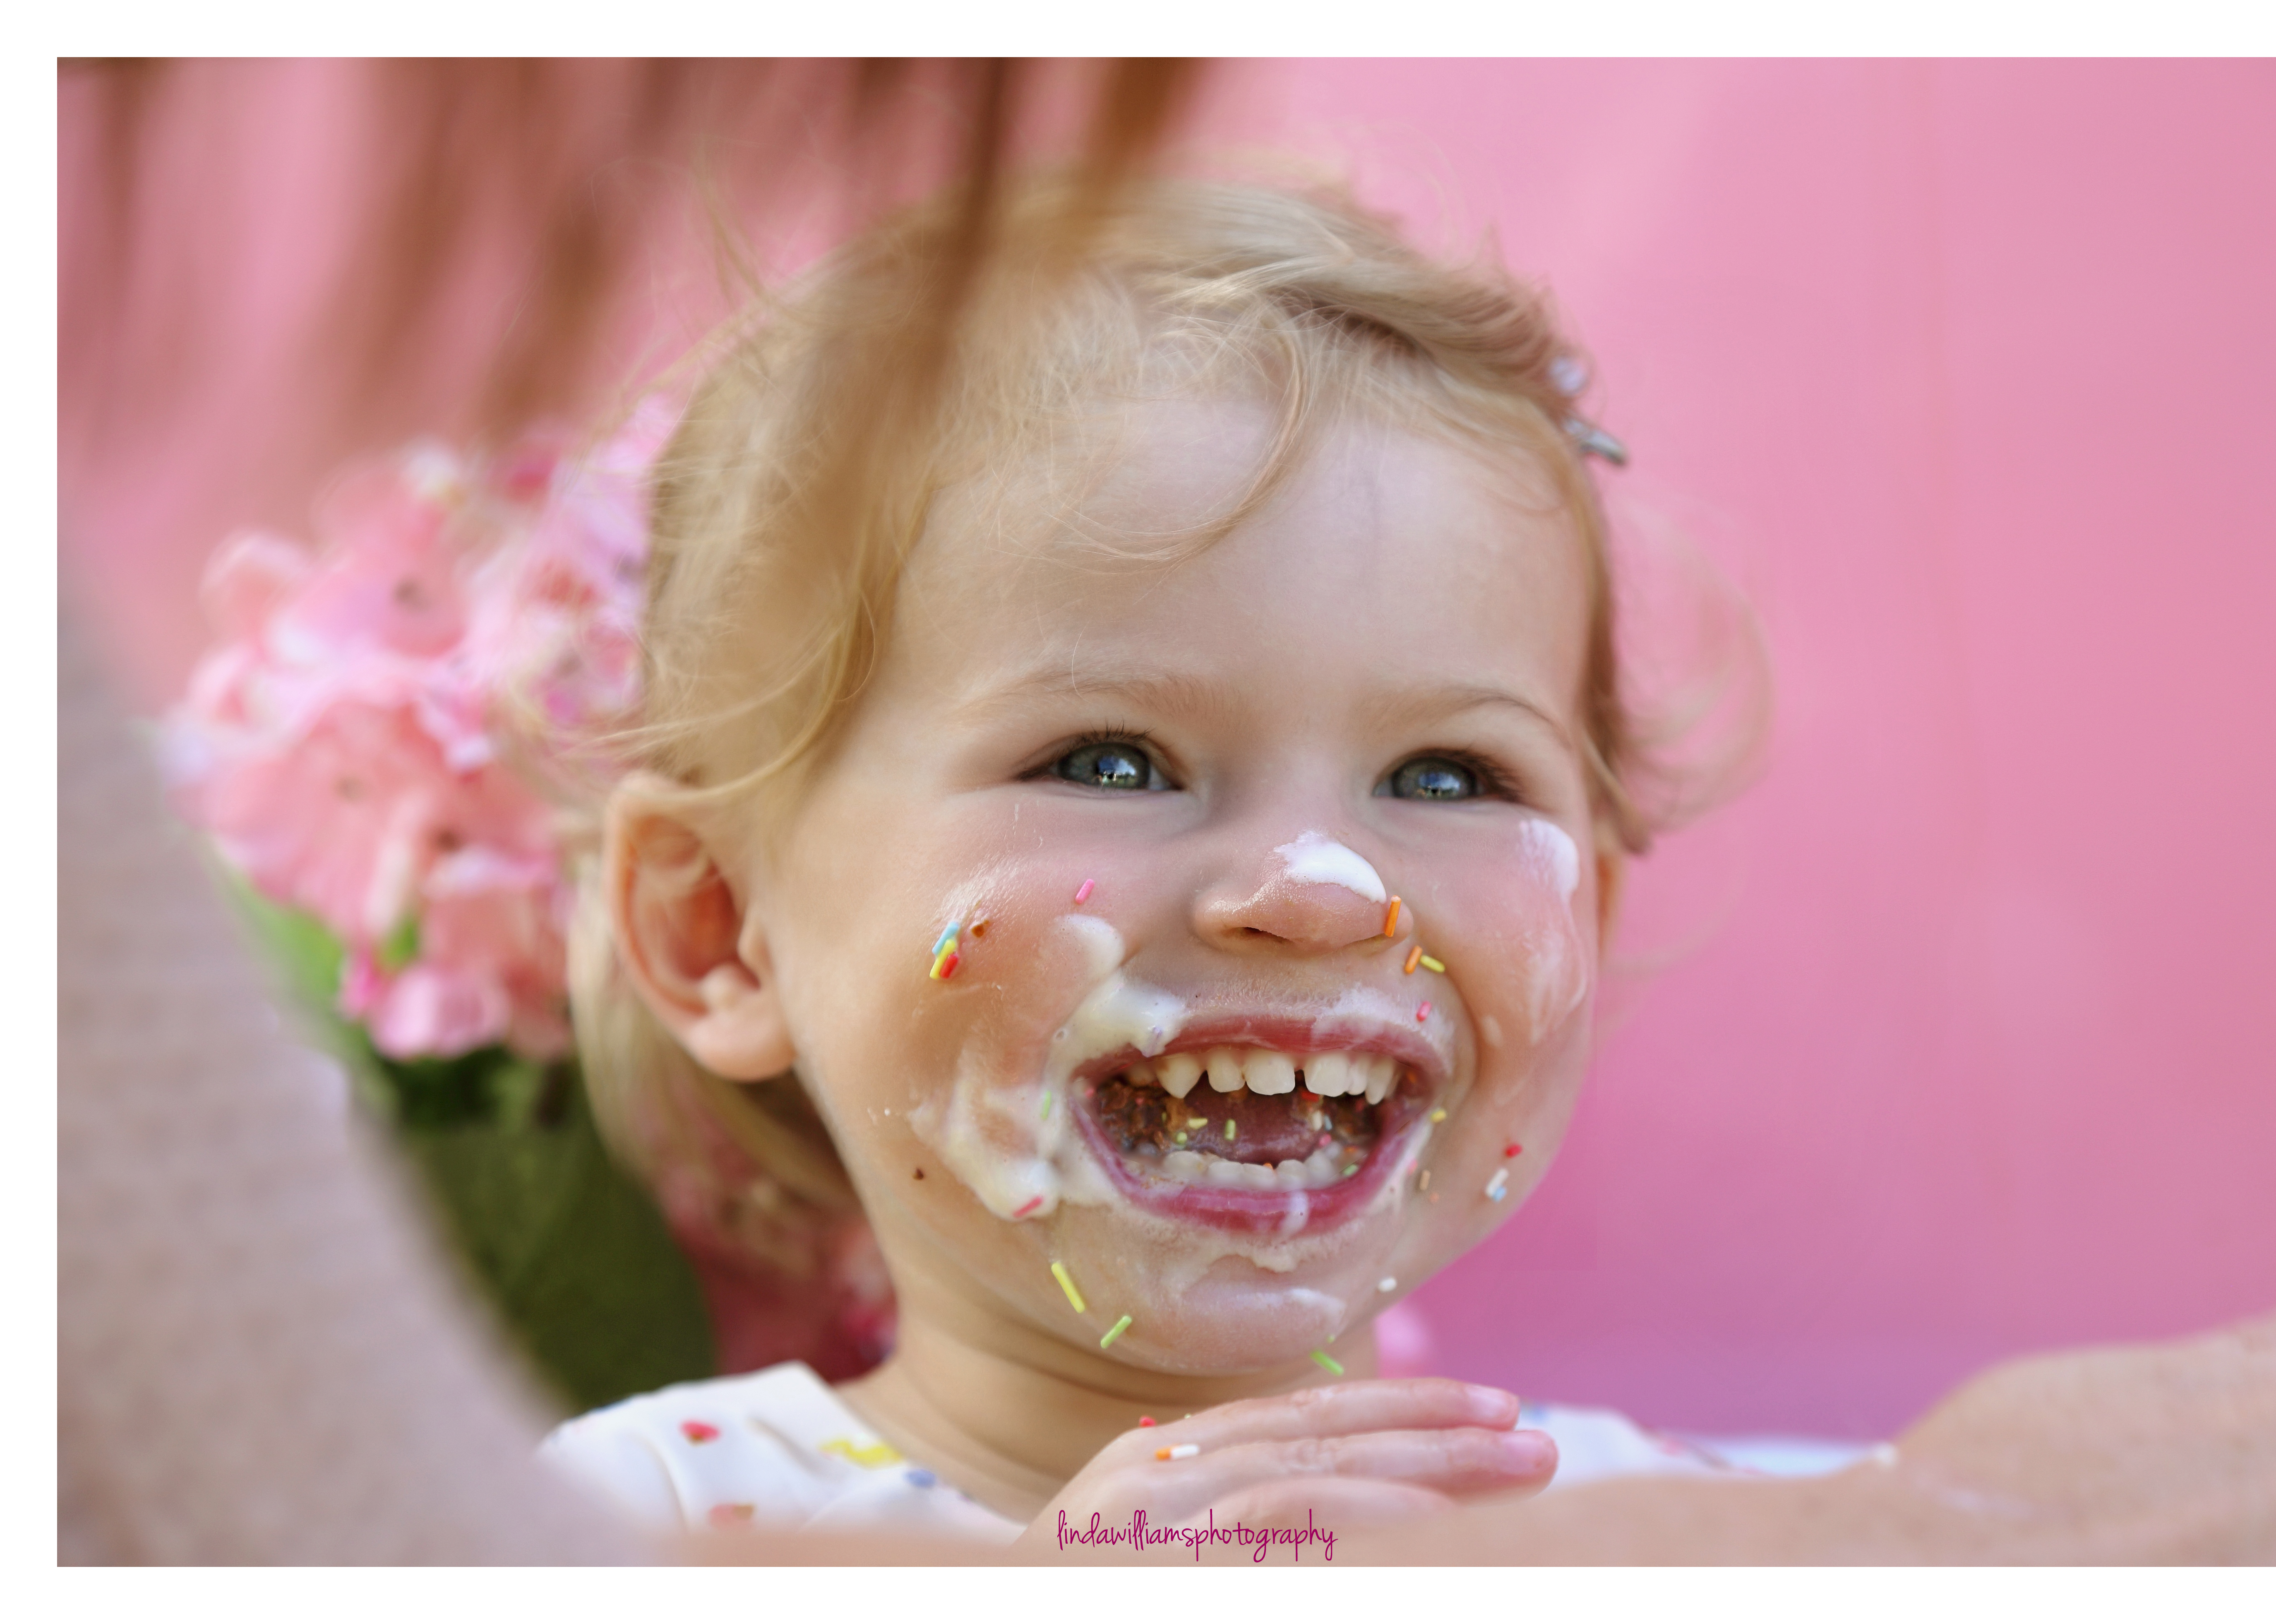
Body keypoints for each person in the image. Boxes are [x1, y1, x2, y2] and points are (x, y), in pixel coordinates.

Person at [531, 174, 1926, 1540]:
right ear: (719, 923)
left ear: (1588, 922)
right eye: (1109, 761)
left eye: (1446, 776)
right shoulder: (633, 1524)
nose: (1319, 890)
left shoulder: (1662, 1539)